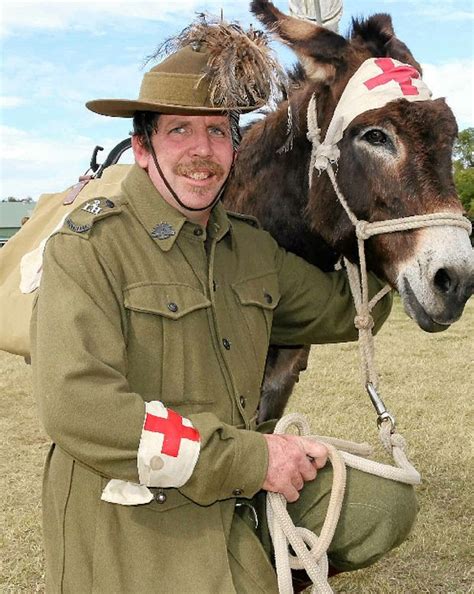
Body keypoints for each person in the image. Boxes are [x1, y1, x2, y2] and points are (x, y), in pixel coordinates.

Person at [31, 18, 417, 594]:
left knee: (382, 503)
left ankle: (268, 558)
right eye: (179, 131)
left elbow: (342, 310)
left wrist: (389, 224)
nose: (201, 152)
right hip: (136, 504)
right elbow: (79, 408)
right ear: (142, 146)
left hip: (236, 490)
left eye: (217, 132)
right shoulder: (87, 249)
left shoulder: (249, 246)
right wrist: (254, 460)